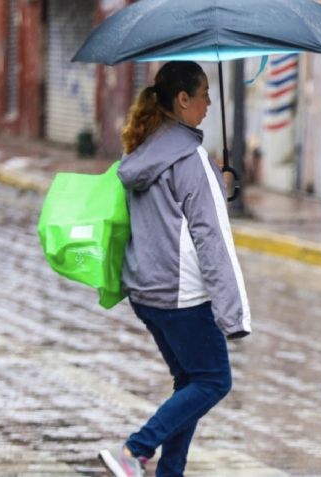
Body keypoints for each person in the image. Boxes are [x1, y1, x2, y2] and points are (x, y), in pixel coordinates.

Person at [98, 61, 252, 477]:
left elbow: (171, 212)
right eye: (204, 95)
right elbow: (211, 238)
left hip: (147, 293)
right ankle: (136, 450)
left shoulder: (145, 148)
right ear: (183, 100)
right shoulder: (191, 158)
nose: (209, 103)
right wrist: (233, 315)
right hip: (182, 297)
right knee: (214, 381)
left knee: (191, 383)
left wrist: (217, 185)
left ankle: (171, 471)